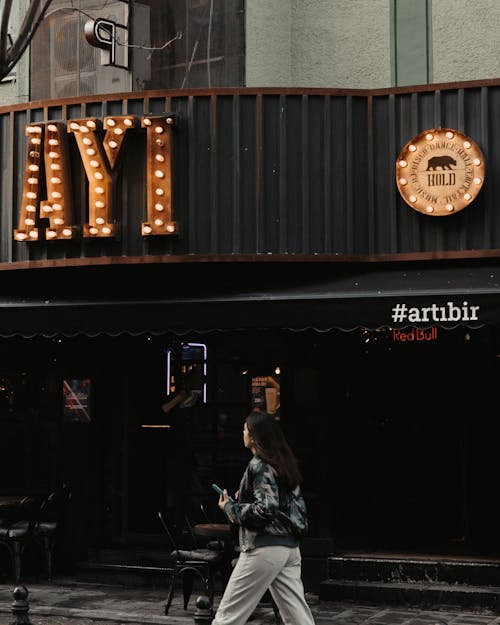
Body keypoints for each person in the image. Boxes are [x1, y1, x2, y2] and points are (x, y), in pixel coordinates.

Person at [212, 410, 315, 625]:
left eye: (244, 429)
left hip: (264, 547)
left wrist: (231, 508)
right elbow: (281, 504)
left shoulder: (259, 464)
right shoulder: (283, 463)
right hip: (290, 548)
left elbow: (266, 510)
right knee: (298, 618)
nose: (242, 432)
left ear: (254, 435)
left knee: (227, 616)